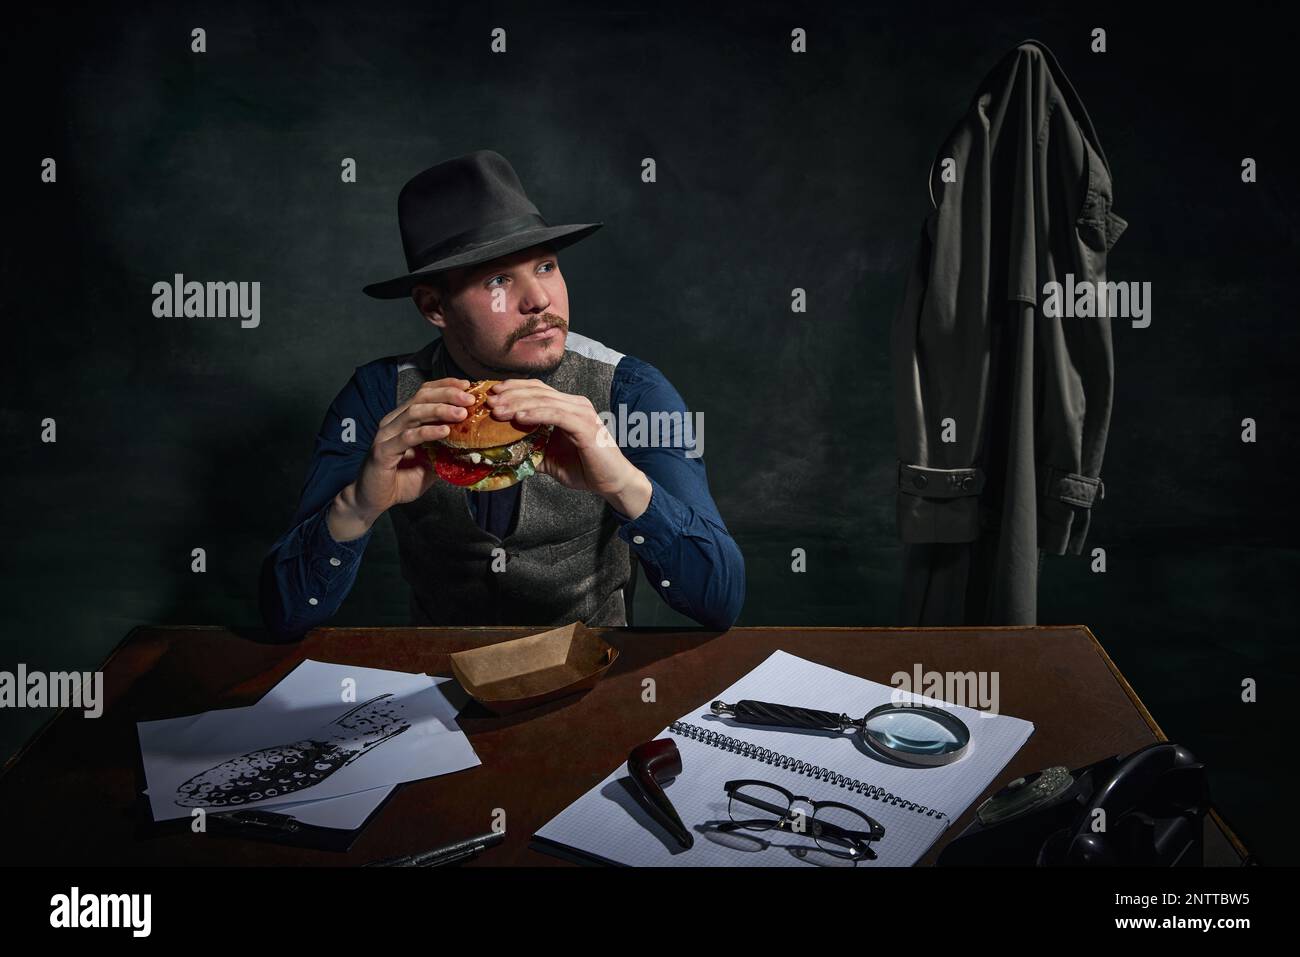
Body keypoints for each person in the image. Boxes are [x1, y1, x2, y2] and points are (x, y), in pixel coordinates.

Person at [258, 150, 745, 637]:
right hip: (434, 676)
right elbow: (285, 617)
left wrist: (622, 483)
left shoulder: (631, 389)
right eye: (498, 280)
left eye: (547, 267)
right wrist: (357, 507)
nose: (539, 300)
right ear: (434, 307)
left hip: (592, 671)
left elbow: (719, 603)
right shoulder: (379, 396)